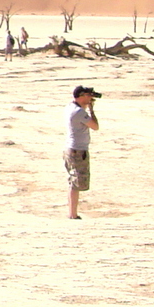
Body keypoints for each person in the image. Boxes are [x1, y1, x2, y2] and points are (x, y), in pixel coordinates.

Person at [65, 84, 101, 219]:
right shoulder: (79, 113)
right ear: (81, 96)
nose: (90, 98)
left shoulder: (71, 107)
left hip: (71, 148)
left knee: (73, 181)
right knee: (77, 182)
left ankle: (72, 213)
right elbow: (95, 126)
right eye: (87, 95)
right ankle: (72, 214)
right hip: (78, 151)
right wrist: (91, 110)